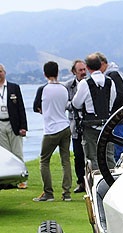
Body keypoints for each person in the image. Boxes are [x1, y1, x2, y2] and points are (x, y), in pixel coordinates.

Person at [31, 61, 72, 202]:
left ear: (44, 74)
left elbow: (36, 107)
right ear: (57, 72)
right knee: (65, 160)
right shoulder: (64, 88)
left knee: (44, 161)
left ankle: (48, 193)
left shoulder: (43, 89)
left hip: (51, 129)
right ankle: (67, 193)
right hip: (65, 126)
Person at [70, 53, 113, 168]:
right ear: (100, 65)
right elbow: (112, 101)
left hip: (90, 125)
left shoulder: (85, 83)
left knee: (92, 159)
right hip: (107, 124)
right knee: (109, 157)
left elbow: (76, 103)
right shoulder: (110, 81)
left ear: (88, 68)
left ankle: (96, 184)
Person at [95, 52, 123, 158]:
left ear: (103, 63)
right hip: (116, 116)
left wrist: (107, 106)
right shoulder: (111, 74)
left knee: (118, 147)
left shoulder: (113, 75)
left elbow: (121, 96)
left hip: (116, 116)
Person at [65, 58, 87, 192]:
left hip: (89, 124)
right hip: (75, 124)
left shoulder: (90, 84)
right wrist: (75, 105)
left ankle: (91, 181)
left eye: (84, 69)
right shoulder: (68, 86)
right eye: (80, 70)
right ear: (74, 72)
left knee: (90, 154)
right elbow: (65, 103)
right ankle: (80, 182)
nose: (83, 72)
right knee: (78, 155)